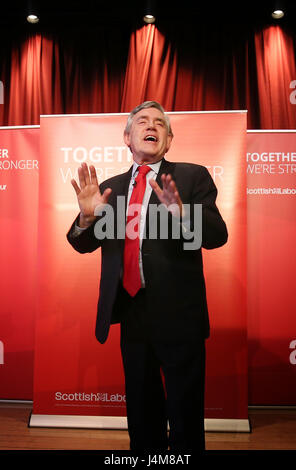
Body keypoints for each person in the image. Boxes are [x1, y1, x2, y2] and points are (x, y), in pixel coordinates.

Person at [67, 101, 228, 452]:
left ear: (168, 140)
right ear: (128, 136)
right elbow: (80, 243)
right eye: (142, 121)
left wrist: (184, 215)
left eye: (159, 123)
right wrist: (87, 219)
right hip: (132, 315)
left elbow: (218, 235)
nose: (150, 126)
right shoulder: (108, 188)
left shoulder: (191, 176)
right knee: (142, 418)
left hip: (180, 318)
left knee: (185, 420)